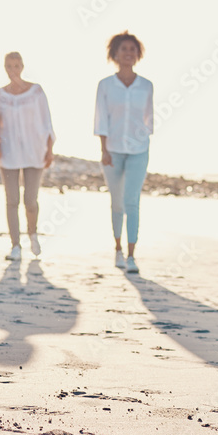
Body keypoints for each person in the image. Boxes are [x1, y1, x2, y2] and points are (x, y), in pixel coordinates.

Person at [94, 32, 153, 275]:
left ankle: (131, 256)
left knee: (132, 201)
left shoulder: (146, 85)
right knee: (116, 203)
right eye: (124, 49)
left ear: (137, 54)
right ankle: (117, 248)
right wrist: (104, 150)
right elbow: (101, 119)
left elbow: (149, 120)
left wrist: (142, 139)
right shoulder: (105, 85)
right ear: (115, 54)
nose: (128, 53)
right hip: (113, 152)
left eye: (132, 49)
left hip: (139, 151)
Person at [0, 52, 55, 262]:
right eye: (9, 66)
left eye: (16, 66)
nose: (13, 70)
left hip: (34, 152)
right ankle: (15, 245)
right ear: (5, 69)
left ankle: (33, 235)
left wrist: (50, 148)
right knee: (12, 200)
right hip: (8, 153)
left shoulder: (36, 92)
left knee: (31, 200)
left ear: (22, 67)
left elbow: (46, 121)